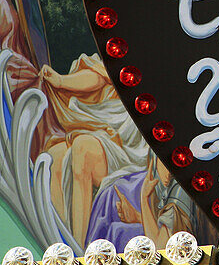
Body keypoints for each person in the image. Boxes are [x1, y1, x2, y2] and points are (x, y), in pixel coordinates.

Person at [34, 54, 146, 246]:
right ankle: (61, 244)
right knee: (54, 156)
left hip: (133, 150)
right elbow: (97, 74)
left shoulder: (147, 64)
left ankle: (80, 250)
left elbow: (99, 76)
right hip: (109, 138)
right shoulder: (112, 60)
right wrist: (60, 81)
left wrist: (61, 81)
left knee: (83, 149)